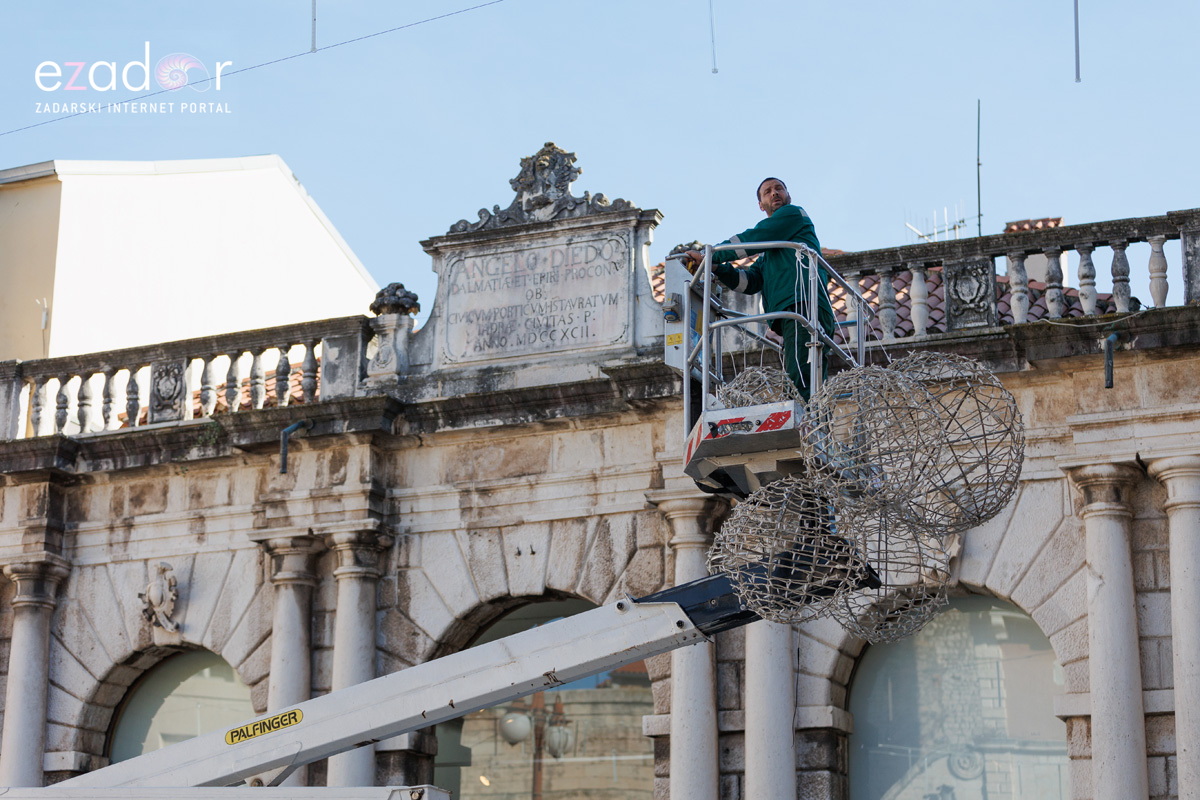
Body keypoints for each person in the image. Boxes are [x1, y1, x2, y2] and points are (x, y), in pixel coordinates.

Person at [685, 178, 835, 399]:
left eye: (779, 189)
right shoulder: (772, 250)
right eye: (768, 192)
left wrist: (710, 255)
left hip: (803, 305)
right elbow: (750, 281)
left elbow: (753, 238)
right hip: (793, 311)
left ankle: (810, 426)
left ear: (788, 195)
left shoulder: (793, 214)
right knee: (800, 376)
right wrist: (716, 267)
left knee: (802, 379)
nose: (775, 193)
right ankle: (810, 422)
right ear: (761, 204)